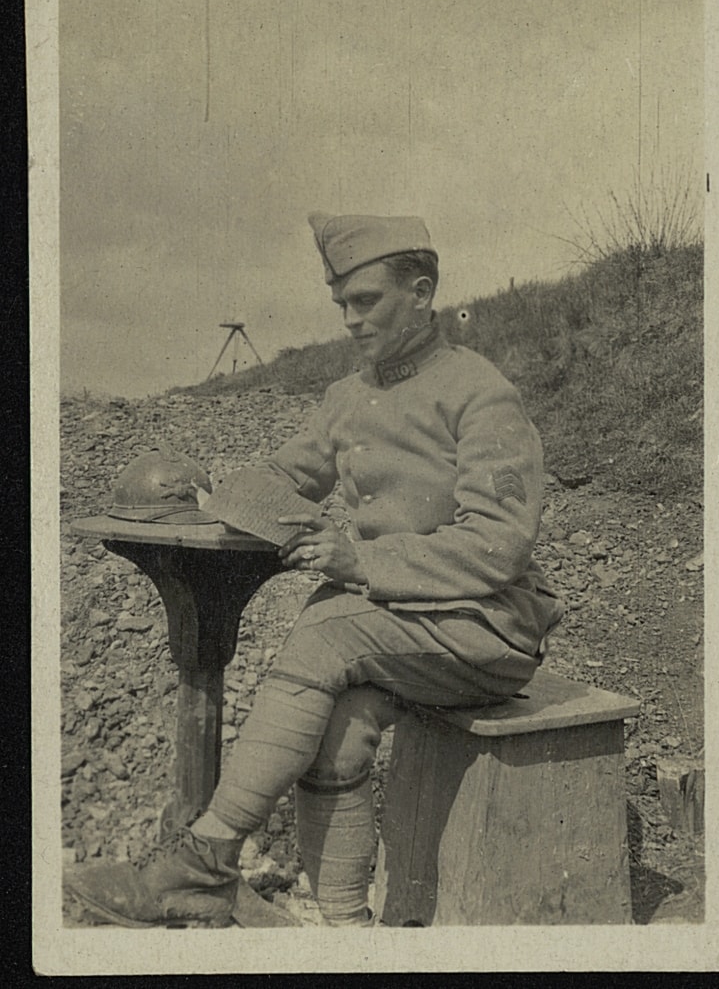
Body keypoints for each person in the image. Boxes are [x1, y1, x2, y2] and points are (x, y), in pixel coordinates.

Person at [65, 212, 564, 928]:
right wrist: (205, 493)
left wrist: (359, 559)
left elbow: (498, 545)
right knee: (337, 732)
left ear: (422, 294)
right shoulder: (347, 396)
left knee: (327, 625)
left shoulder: (479, 393)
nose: (351, 321)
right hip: (407, 626)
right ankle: (344, 931)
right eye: (341, 306)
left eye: (367, 302)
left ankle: (202, 861)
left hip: (488, 628)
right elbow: (286, 475)